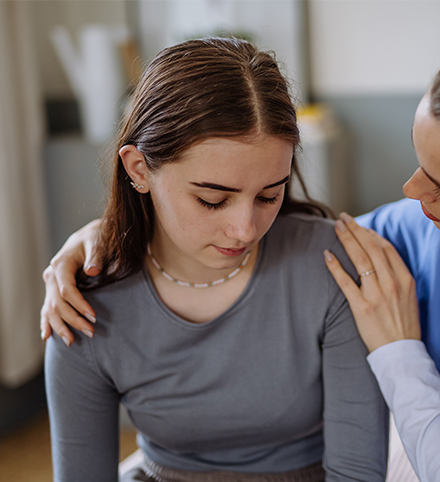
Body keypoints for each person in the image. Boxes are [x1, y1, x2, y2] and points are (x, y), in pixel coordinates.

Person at [41, 23, 440, 481]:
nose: (411, 193)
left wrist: (398, 355)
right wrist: (104, 236)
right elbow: (278, 247)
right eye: (419, 165)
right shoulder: (425, 233)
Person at [41, 37, 388, 482]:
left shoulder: (328, 267)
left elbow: (355, 474)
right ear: (139, 170)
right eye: (211, 200)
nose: (245, 229)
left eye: (269, 195)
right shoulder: (83, 299)